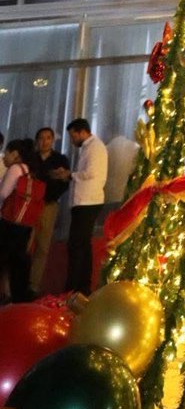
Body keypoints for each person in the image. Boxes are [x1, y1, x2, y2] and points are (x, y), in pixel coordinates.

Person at [51, 118, 108, 296]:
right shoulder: (89, 147)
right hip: (84, 201)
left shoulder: (96, 147)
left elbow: (92, 173)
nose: (72, 140)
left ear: (81, 132)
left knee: (77, 245)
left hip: (88, 201)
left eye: (72, 136)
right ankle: (81, 287)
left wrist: (70, 175)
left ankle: (75, 287)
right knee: (81, 245)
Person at [0, 137, 43, 301]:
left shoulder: (15, 169)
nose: (5, 157)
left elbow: (4, 194)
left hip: (10, 222)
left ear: (16, 154)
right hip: (24, 223)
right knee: (19, 263)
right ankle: (20, 299)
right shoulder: (29, 170)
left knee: (6, 259)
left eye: (8, 153)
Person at [29, 126, 70, 295]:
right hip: (30, 204)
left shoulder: (60, 159)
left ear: (53, 140)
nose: (45, 141)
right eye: (41, 138)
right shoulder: (31, 158)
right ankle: (17, 283)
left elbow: (65, 182)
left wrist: (51, 188)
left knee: (42, 246)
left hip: (49, 204)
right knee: (24, 243)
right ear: (37, 141)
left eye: (48, 138)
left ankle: (33, 286)